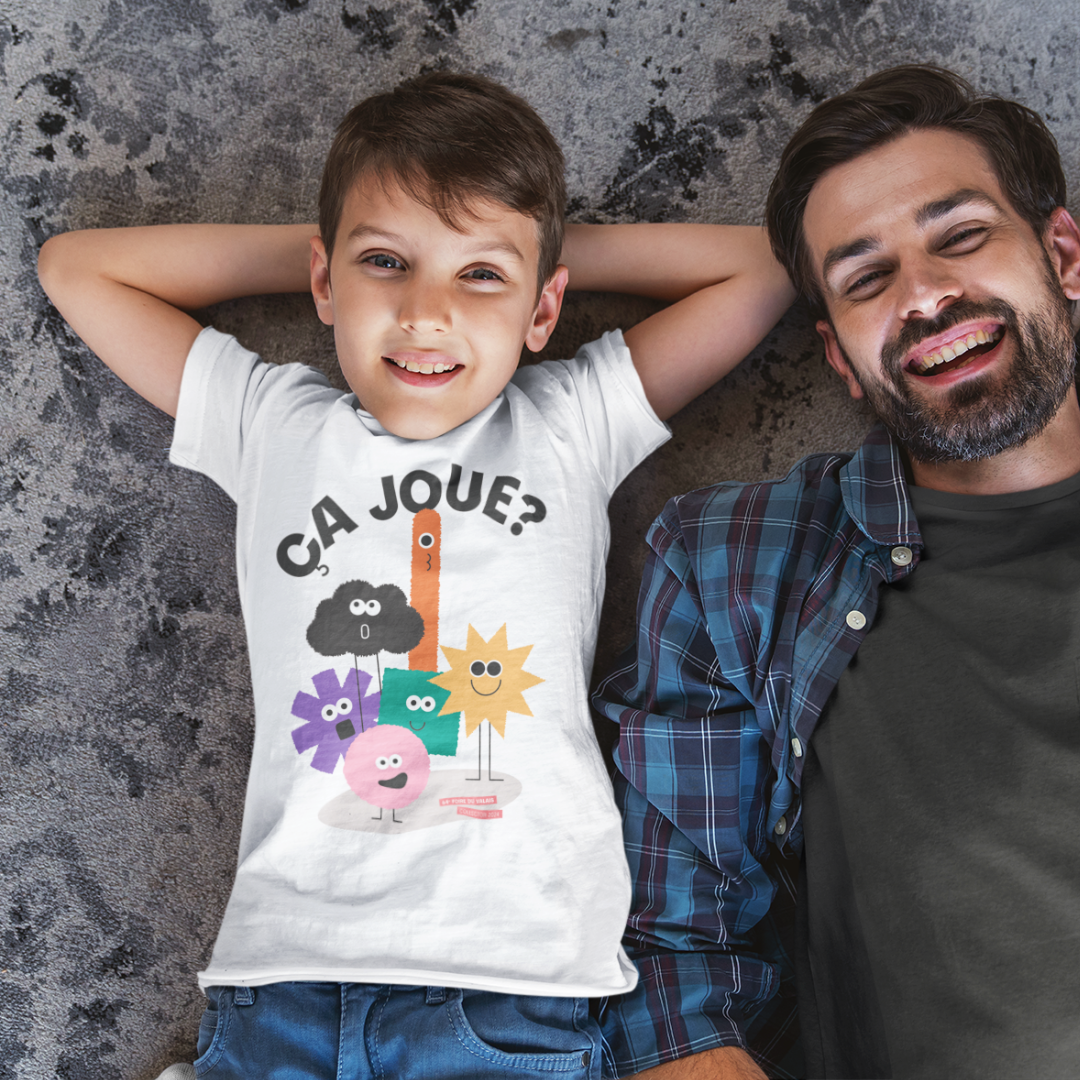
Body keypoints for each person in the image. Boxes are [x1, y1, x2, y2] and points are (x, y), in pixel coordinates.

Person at [37, 71, 793, 1079]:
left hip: (513, 985)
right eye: (386, 263)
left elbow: (773, 266)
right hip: (284, 978)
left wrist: (535, 242)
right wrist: (366, 239)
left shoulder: (573, 417)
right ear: (322, 281)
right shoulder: (270, 417)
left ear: (543, 309)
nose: (426, 313)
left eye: (479, 278)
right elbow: (76, 270)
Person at [593, 64, 1080, 1080]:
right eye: (865, 279)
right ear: (838, 356)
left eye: (961, 236)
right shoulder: (733, 566)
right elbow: (677, 968)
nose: (926, 296)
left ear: (1063, 253)